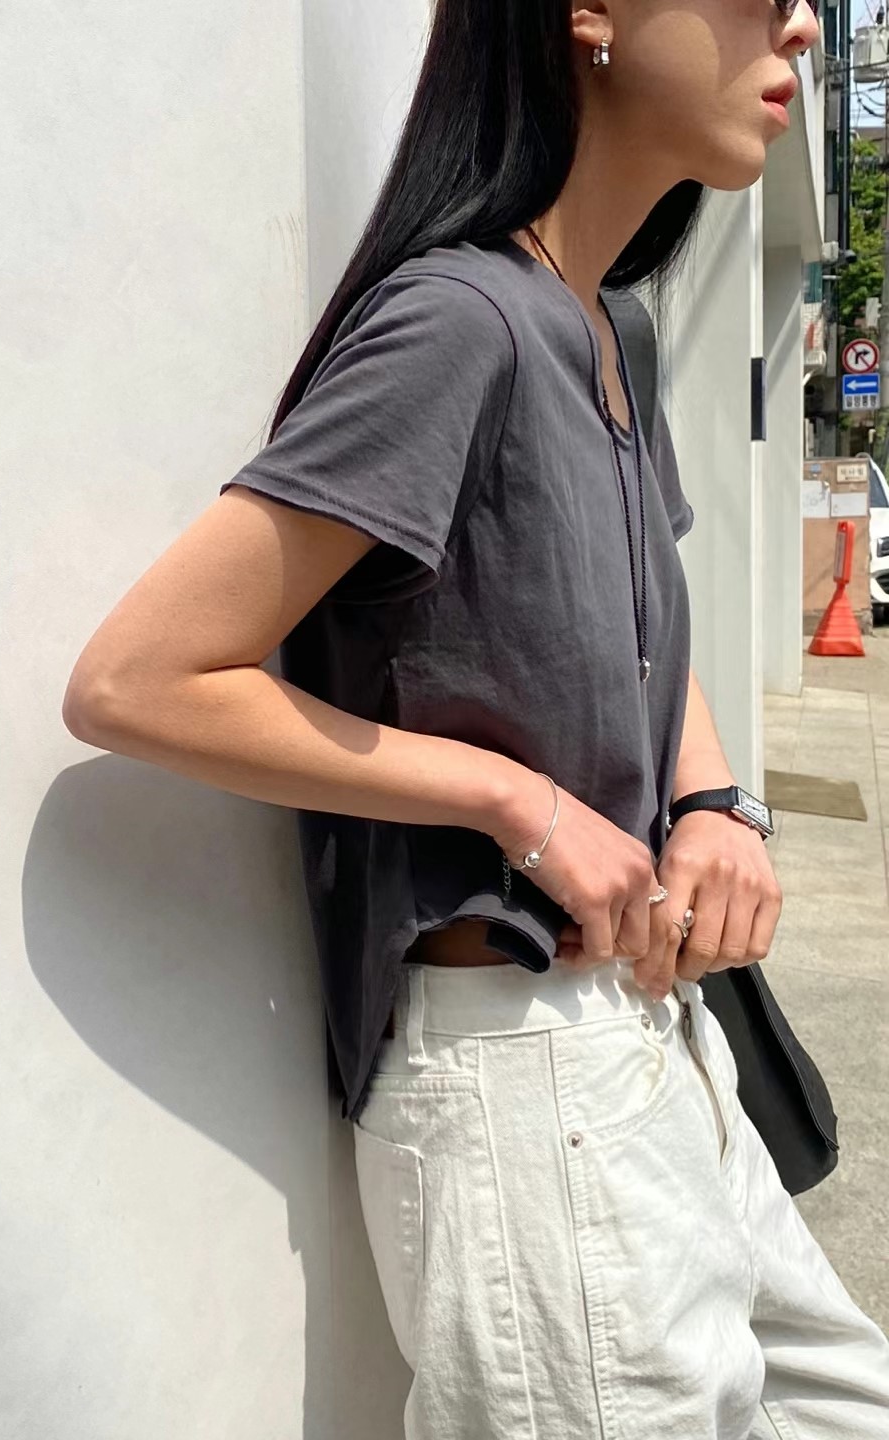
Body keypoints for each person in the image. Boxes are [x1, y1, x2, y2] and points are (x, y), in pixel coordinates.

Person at [62, 0, 889, 1433]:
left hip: (650, 1038)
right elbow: (141, 680)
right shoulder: (459, 323)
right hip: (522, 1070)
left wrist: (710, 803)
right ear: (590, 14)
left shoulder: (606, 323)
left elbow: (641, 614)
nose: (804, 25)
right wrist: (518, 801)